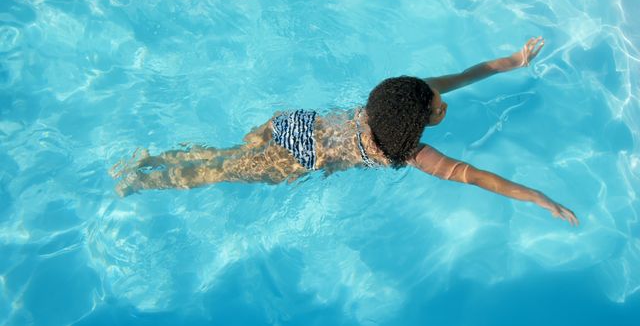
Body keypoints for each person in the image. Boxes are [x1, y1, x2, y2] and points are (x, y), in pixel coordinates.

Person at [111, 37, 579, 226]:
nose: (443, 101)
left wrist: (514, 62)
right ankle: (142, 179)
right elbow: (476, 176)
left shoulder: (408, 94)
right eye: (437, 107)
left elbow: (468, 73)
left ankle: (152, 159)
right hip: (300, 157)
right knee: (218, 173)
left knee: (226, 154)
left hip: (293, 122)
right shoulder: (416, 153)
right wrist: (537, 196)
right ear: (420, 123)